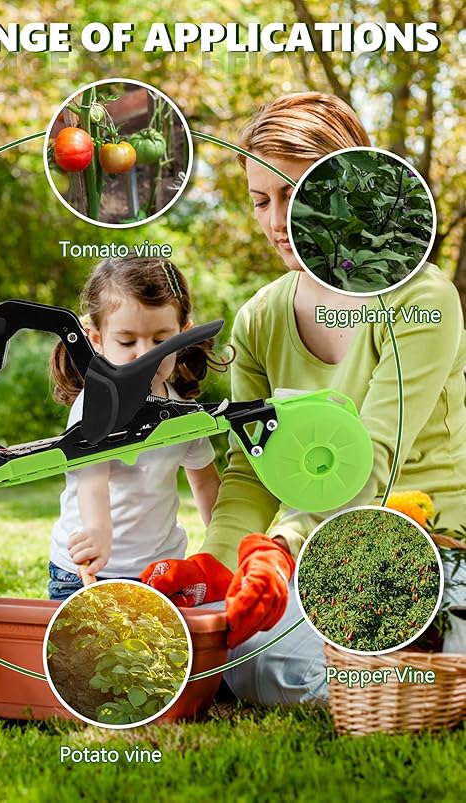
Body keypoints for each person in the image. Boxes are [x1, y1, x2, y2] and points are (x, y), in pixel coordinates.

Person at [142, 92, 466, 704]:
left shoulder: (420, 299)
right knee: (227, 643)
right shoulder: (262, 319)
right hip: (320, 552)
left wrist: (282, 548)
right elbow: (252, 469)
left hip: (432, 545)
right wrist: (217, 565)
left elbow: (371, 460)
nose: (274, 221)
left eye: (293, 195)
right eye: (261, 200)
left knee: (266, 662)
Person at [47, 255, 229, 600]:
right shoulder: (94, 405)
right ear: (97, 340)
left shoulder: (184, 413)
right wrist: (99, 532)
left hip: (160, 573)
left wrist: (224, 547)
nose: (145, 355)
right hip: (86, 572)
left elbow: (205, 481)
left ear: (183, 335)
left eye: (161, 341)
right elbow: (92, 479)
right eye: (127, 342)